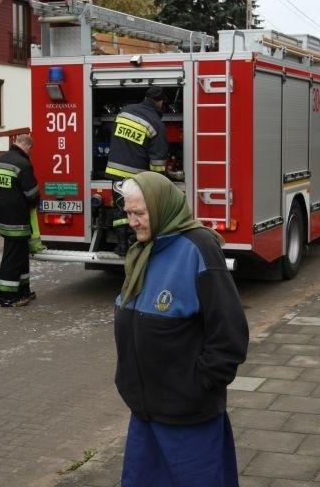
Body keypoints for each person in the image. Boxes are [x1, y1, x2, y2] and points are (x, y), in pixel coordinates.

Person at [113, 172, 248, 487]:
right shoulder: (142, 251)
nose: (132, 222)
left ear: (162, 208)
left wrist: (199, 384)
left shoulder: (198, 248)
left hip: (188, 415)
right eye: (129, 213)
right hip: (145, 412)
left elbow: (229, 331)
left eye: (140, 214)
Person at [105, 86, 169, 255]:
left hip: (115, 171)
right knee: (136, 210)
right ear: (160, 102)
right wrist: (159, 180)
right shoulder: (156, 123)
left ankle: (121, 246)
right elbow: (157, 161)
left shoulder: (125, 111)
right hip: (136, 178)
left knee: (121, 210)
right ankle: (134, 245)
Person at [0, 133, 40, 307]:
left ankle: (23, 291)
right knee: (12, 258)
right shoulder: (23, 164)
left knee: (20, 256)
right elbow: (32, 194)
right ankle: (6, 297)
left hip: (3, 216)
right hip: (18, 219)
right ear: (27, 147)